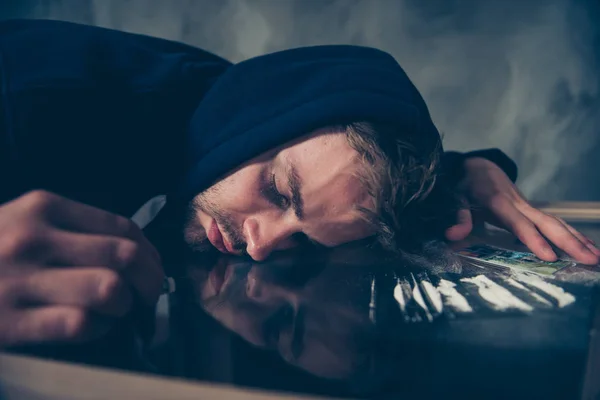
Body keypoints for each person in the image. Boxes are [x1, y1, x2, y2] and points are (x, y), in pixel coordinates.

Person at [0, 19, 597, 348]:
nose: (262, 245)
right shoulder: (37, 102)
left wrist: (470, 170)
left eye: (303, 239)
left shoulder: (241, 124)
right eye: (280, 194)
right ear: (256, 119)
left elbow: (341, 176)